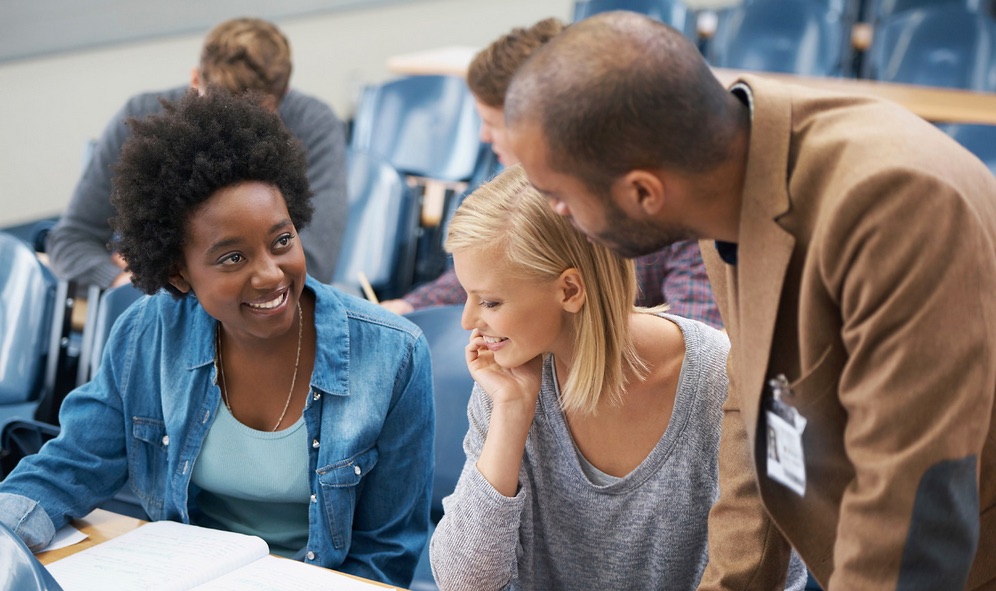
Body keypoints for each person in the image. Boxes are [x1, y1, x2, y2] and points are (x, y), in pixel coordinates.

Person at [503, 11, 996, 591]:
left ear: (643, 192)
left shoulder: (894, 208)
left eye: (559, 195)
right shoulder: (727, 173)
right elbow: (757, 407)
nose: (557, 214)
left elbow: (913, 507)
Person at [0, 90, 434, 587]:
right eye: (233, 258)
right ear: (178, 273)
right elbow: (73, 465)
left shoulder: (393, 354)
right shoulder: (148, 333)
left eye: (282, 241)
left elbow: (387, 554)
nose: (270, 274)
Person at [428, 166, 806, 590]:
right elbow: (463, 584)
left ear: (570, 291)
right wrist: (511, 415)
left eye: (490, 302)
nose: (467, 321)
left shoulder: (723, 381)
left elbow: (777, 577)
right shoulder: (508, 382)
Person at [379, 18, 721, 330]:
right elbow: (490, 268)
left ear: (540, 127)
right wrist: (413, 306)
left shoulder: (674, 206)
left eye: (492, 123)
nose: (484, 137)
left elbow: (696, 340)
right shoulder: (523, 197)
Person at [46, 17, 348, 287]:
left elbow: (313, 264)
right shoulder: (141, 117)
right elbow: (71, 240)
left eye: (253, 119)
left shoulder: (313, 124)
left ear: (281, 99)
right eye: (216, 112)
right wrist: (122, 281)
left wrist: (178, 279)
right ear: (194, 81)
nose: (230, 134)